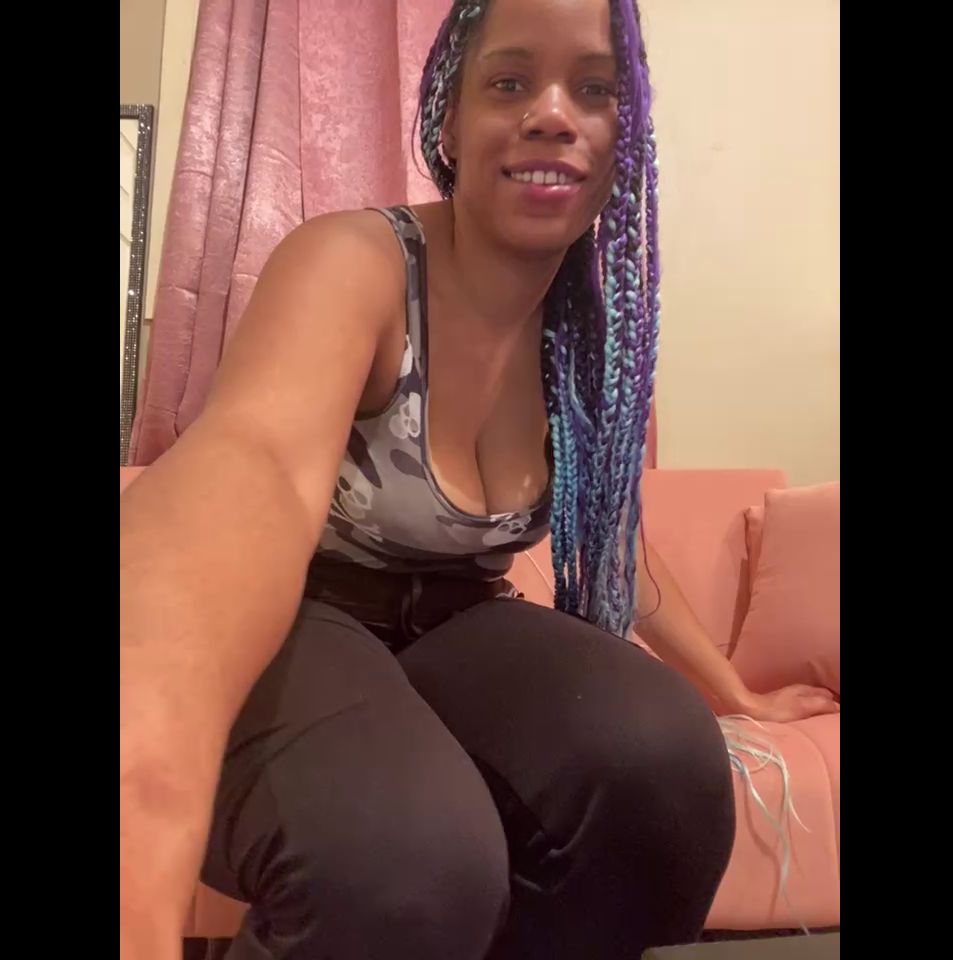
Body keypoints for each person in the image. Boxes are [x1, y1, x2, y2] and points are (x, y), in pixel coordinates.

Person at [120, 1, 839, 957]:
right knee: (406, 859)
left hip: (458, 616)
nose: (553, 114)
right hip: (299, 611)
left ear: (625, 142)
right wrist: (152, 764)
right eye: (510, 82)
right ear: (449, 124)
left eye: (595, 89)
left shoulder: (589, 339)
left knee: (666, 769)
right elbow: (254, 467)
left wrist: (736, 695)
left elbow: (613, 535)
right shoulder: (356, 264)